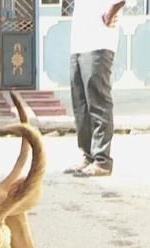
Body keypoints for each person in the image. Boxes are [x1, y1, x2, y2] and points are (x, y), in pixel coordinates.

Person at [65, 0, 131, 177]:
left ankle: (102, 160)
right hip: (78, 42)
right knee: (81, 105)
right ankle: (88, 155)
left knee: (98, 101)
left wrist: (112, 10)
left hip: (99, 40)